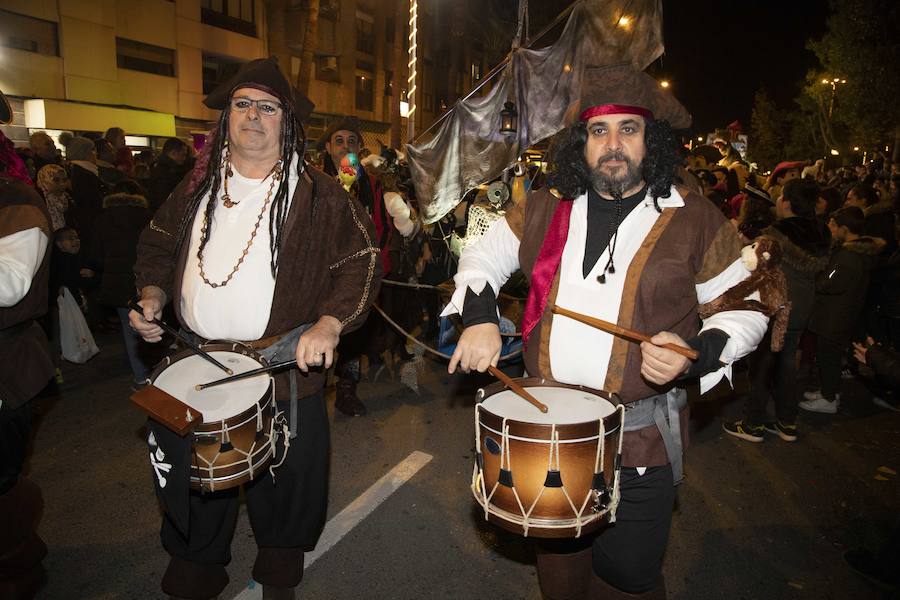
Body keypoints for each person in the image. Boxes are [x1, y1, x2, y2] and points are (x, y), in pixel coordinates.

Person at [445, 64, 768, 599]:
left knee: (628, 579)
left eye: (629, 129)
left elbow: (747, 304)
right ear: (582, 142)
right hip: (548, 432)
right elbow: (481, 255)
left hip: (640, 439)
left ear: (652, 139)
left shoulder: (695, 218)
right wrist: (479, 319)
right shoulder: (547, 205)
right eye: (599, 130)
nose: (613, 144)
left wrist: (697, 351)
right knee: (560, 569)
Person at [129, 57, 379, 600]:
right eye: (243, 103)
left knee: (286, 485)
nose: (253, 116)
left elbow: (361, 259)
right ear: (227, 117)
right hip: (198, 362)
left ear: (287, 123)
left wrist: (332, 323)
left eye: (268, 107)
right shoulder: (196, 185)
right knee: (194, 481)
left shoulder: (319, 194)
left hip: (283, 366)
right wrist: (152, 295)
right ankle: (197, 566)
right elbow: (156, 244)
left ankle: (278, 578)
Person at [723, 178, 830, 442]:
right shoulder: (823, 232)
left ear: (788, 203)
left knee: (762, 364)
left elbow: (752, 265)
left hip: (775, 304)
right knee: (787, 364)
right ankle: (787, 422)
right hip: (803, 304)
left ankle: (753, 424)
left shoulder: (777, 234)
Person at [0, 88, 55, 598]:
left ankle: (19, 571)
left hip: (8, 368)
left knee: (2, 488)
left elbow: (11, 283)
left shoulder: (15, 200)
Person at [319, 116, 397, 415]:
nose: (345, 146)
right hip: (321, 270)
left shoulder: (371, 185)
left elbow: (382, 226)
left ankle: (347, 388)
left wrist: (375, 261)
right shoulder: (313, 181)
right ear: (327, 147)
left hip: (354, 270)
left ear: (359, 149)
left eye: (351, 141)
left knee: (350, 332)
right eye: (339, 141)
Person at [802, 206, 885, 413]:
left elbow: (828, 283)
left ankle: (829, 398)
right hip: (842, 314)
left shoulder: (848, 256)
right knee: (828, 356)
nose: (830, 228)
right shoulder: (859, 253)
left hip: (834, 316)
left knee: (828, 357)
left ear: (845, 229)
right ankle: (829, 391)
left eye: (833, 225)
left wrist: (815, 279)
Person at [84, 180, 153, 386]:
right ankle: (158, 372)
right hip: (147, 279)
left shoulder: (103, 220)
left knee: (129, 327)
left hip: (118, 282)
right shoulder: (148, 217)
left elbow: (95, 256)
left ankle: (140, 376)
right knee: (152, 326)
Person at [148, 137, 192, 211]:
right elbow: (163, 199)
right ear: (173, 153)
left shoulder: (158, 168)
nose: (184, 158)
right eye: (183, 155)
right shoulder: (168, 172)